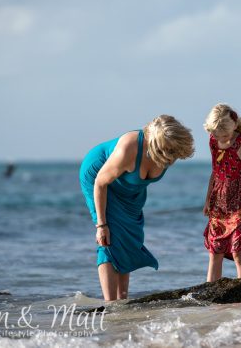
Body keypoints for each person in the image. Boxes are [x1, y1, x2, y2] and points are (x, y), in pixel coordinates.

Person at [79, 115, 194, 301]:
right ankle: (111, 304)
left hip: (131, 189)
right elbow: (101, 182)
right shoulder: (128, 149)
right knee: (109, 238)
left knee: (130, 238)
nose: (173, 159)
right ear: (157, 145)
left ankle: (123, 299)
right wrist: (101, 225)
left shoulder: (170, 148)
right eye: (170, 153)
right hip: (99, 179)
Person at [203, 103, 241, 282]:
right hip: (219, 202)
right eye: (217, 135)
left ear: (234, 125)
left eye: (226, 135)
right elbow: (215, 171)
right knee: (215, 252)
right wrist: (207, 200)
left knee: (238, 251)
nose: (222, 139)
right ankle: (210, 298)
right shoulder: (213, 140)